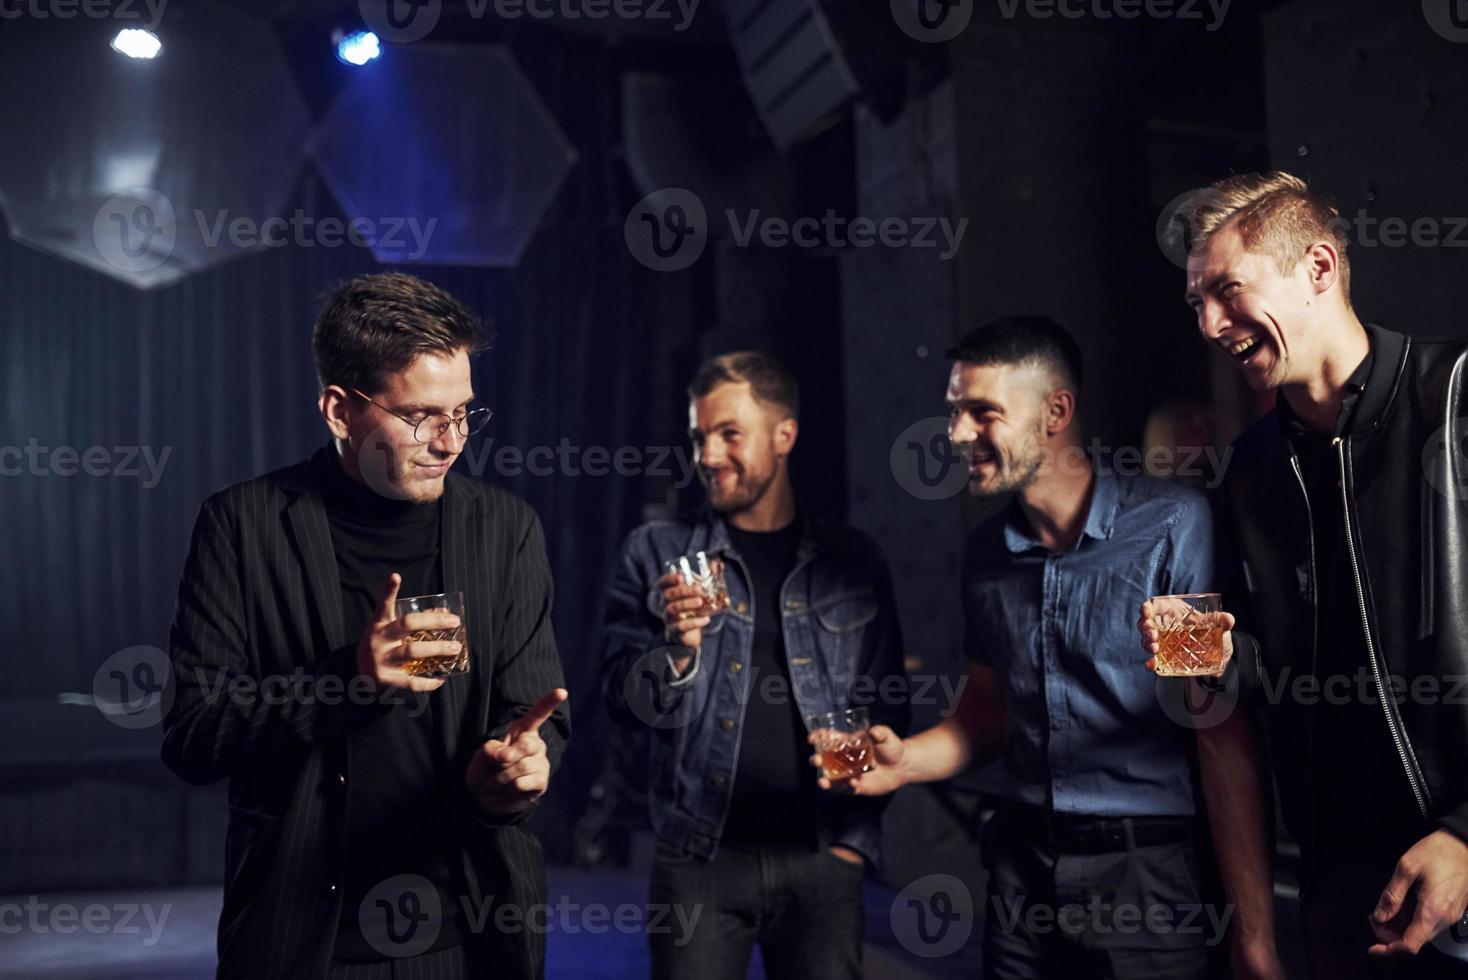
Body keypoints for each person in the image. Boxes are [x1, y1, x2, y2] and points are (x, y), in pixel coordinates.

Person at [162, 272, 570, 980]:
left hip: (468, 938)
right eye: (421, 416)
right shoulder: (242, 526)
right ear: (339, 410)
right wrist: (348, 680)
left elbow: (534, 717)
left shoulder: (506, 530)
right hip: (306, 943)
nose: (450, 441)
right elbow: (194, 738)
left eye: (465, 413)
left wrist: (519, 770)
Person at [1140, 170, 1468, 979]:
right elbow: (1229, 687)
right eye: (1196, 304)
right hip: (1343, 905)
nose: (1211, 324)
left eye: (1227, 290)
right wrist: (1197, 660)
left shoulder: (1460, 399)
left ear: (1319, 268)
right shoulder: (1245, 472)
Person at [834, 316, 1223, 978]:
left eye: (982, 413)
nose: (956, 435)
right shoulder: (986, 554)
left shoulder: (1173, 525)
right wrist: (902, 763)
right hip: (1021, 867)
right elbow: (986, 713)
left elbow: (1210, 715)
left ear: (1056, 411)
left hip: (1148, 876)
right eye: (955, 413)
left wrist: (1200, 666)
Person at [600, 351, 908, 980]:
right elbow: (618, 703)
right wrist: (678, 650)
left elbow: (886, 703)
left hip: (823, 857)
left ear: (784, 435)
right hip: (697, 860)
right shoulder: (656, 554)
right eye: (699, 437)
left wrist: (853, 842)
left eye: (729, 434)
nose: (708, 455)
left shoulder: (852, 559)